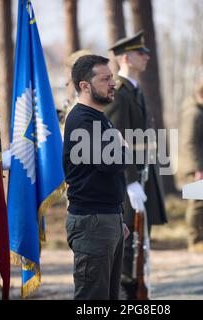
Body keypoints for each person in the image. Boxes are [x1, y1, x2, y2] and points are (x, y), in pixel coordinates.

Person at [105, 30, 167, 299]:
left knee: (141, 237)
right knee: (129, 238)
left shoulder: (135, 90)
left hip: (143, 173)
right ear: (127, 57)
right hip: (129, 177)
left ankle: (136, 288)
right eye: (142, 53)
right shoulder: (119, 92)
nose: (147, 57)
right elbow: (117, 141)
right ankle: (126, 291)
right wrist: (129, 180)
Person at [63, 54, 129, 300]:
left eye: (111, 77)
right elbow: (112, 162)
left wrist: (116, 217)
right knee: (93, 299)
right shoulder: (82, 120)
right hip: (93, 222)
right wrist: (124, 148)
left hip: (107, 217)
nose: (113, 83)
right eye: (105, 79)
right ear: (85, 85)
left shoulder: (99, 118)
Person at [177, 79, 203, 252]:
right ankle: (194, 240)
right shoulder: (193, 113)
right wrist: (198, 168)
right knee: (197, 204)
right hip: (197, 168)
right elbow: (189, 143)